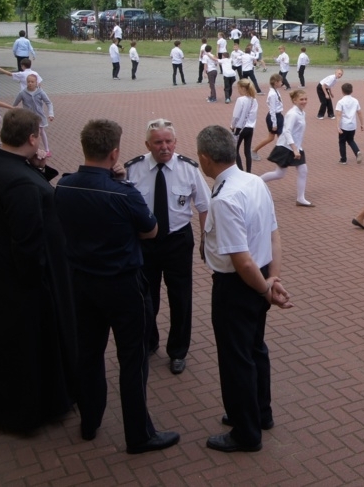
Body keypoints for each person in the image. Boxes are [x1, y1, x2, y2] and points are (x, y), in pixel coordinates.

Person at [55, 119, 179, 455]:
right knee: (133, 359)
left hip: (82, 284)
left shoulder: (64, 186)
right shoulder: (124, 193)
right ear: (114, 153)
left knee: (89, 354)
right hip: (123, 285)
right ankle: (138, 434)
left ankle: (90, 421)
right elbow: (151, 230)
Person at [0, 108, 77, 432]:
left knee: (0, 337)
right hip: (21, 277)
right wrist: (39, 283)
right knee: (25, 342)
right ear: (31, 137)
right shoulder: (20, 183)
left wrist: (37, 168)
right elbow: (27, 241)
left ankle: (1, 399)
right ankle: (27, 409)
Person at [195, 125, 293, 453]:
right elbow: (274, 235)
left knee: (236, 359)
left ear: (205, 158)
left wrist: (265, 289)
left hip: (238, 286)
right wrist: (273, 279)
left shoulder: (225, 198)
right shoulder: (254, 182)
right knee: (254, 349)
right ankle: (259, 413)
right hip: (260, 277)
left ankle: (245, 432)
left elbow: (242, 261)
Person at [125, 118, 210, 376]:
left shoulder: (188, 169)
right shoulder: (133, 169)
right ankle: (149, 341)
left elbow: (204, 206)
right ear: (147, 145)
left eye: (168, 141)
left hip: (178, 241)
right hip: (145, 243)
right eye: (158, 142)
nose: (164, 147)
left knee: (180, 298)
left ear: (175, 142)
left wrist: (205, 241)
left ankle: (178, 351)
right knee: (146, 297)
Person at [260, 89, 311, 206]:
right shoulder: (292, 114)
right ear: (294, 100)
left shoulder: (302, 113)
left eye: (305, 99)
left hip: (296, 147)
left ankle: (300, 198)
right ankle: (256, 182)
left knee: (303, 171)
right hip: (286, 147)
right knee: (279, 174)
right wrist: (295, 149)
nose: (304, 101)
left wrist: (297, 148)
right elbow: (287, 131)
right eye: (301, 99)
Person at [12, 74, 55, 156]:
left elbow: (49, 103)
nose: (30, 83)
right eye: (28, 82)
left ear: (36, 83)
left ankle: (47, 150)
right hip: (28, 117)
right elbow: (14, 104)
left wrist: (51, 113)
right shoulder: (22, 93)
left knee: (41, 131)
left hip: (39, 116)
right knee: (29, 133)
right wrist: (15, 112)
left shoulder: (41, 92)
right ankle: (29, 149)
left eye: (32, 82)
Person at [251, 73, 284, 162]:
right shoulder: (272, 94)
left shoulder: (275, 91)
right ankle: (254, 150)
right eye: (280, 81)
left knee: (281, 136)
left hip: (279, 115)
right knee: (272, 137)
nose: (282, 83)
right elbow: (272, 109)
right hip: (275, 117)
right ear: (276, 82)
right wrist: (274, 123)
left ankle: (282, 154)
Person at [231, 79, 259, 172]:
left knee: (235, 149)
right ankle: (249, 171)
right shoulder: (254, 100)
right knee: (247, 151)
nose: (238, 90)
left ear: (243, 88)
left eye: (238, 88)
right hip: (250, 127)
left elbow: (236, 115)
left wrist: (233, 125)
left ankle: (241, 170)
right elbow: (254, 115)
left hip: (240, 128)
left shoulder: (240, 100)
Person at [335, 83, 363, 164]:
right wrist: (362, 124)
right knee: (351, 140)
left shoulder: (341, 102)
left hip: (344, 125)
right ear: (351, 91)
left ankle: (343, 159)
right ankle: (357, 151)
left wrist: (338, 126)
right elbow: (359, 113)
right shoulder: (355, 101)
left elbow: (339, 114)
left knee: (342, 142)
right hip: (352, 125)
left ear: (342, 91)